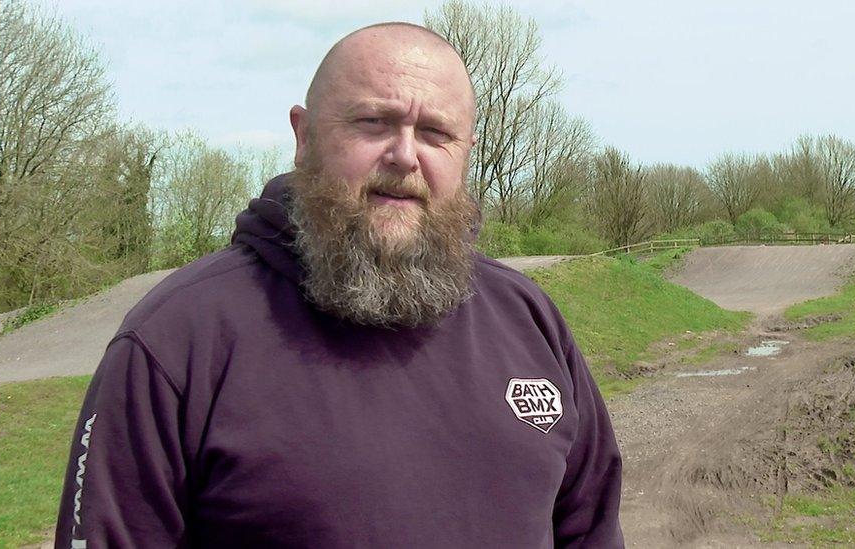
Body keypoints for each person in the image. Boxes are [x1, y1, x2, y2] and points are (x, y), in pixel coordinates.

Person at [55, 22, 623, 548]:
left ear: (465, 152)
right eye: (374, 122)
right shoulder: (178, 338)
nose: (405, 156)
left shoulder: (527, 318)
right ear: (304, 137)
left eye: (435, 132)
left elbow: (590, 528)